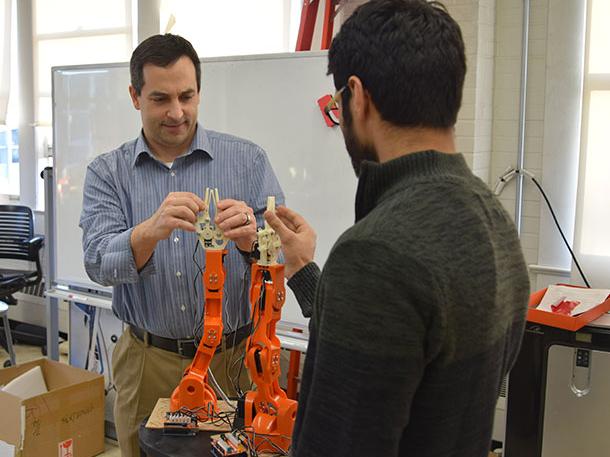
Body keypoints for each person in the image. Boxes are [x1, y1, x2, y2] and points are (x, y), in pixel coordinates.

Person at [264, 1, 530, 456]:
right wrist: (306, 272)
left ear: (358, 95)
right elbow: (412, 358)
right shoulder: (494, 220)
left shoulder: (374, 253)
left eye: (337, 103)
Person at [79, 34, 284, 457]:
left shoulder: (247, 160)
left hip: (235, 363)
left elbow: (281, 252)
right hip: (149, 363)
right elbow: (98, 262)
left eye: (187, 96)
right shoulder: (107, 172)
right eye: (160, 99)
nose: (177, 112)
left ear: (198, 92)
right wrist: (147, 231)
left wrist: (251, 240)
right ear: (135, 96)